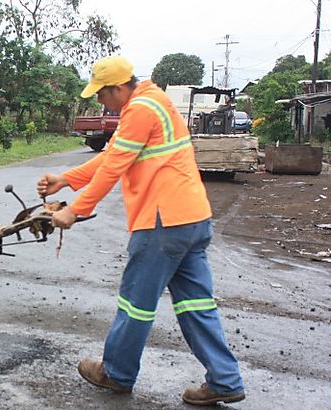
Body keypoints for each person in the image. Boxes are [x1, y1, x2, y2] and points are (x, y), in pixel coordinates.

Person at [36, 55, 245, 406]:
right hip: (192, 219)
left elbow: (113, 166)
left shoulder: (140, 110)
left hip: (162, 222)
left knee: (136, 304)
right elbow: (113, 155)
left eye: (101, 95)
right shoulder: (152, 101)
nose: (100, 102)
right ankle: (225, 379)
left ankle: (116, 372)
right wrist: (67, 180)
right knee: (196, 304)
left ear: (118, 88)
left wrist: (75, 211)